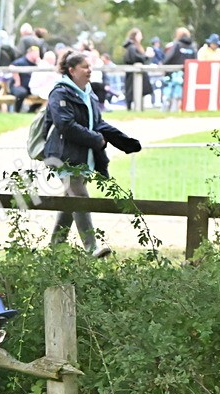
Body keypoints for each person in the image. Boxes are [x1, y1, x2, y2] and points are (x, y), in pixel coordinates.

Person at [45, 50, 142, 258]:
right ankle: (91, 248)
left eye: (90, 66)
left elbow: (98, 123)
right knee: (80, 196)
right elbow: (66, 125)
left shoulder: (89, 93)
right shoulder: (60, 93)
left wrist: (123, 141)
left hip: (82, 156)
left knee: (71, 199)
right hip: (62, 156)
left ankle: (55, 246)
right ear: (72, 71)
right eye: (85, 67)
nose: (89, 70)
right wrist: (96, 139)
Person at [122, 28, 150, 110]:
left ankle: (137, 107)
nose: (141, 37)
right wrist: (146, 56)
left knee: (137, 91)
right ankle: (131, 108)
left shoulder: (132, 47)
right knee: (132, 91)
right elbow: (135, 57)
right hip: (133, 73)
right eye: (139, 35)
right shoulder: (132, 47)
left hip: (135, 72)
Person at [10, 45, 41, 112]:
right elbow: (12, 67)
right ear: (29, 53)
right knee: (21, 93)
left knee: (44, 94)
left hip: (31, 88)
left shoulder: (37, 63)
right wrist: (17, 80)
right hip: (19, 86)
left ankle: (31, 111)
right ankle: (16, 111)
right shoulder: (21, 62)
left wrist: (40, 64)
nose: (37, 56)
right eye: (35, 54)